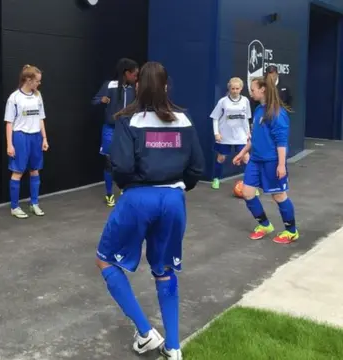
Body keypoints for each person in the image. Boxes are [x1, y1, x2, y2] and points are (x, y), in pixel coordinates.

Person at [96, 61, 204, 360]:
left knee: (105, 261)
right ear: (167, 86)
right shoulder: (184, 120)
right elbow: (197, 167)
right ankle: (173, 347)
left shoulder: (127, 120)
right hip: (173, 199)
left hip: (138, 198)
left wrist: (133, 187)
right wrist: (178, 186)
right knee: (165, 269)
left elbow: (122, 167)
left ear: (138, 87)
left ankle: (145, 333)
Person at [233, 76, 299, 244]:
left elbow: (281, 141)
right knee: (248, 193)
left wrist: (282, 165)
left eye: (253, 89)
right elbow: (254, 137)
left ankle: (291, 231)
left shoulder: (277, 112)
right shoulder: (258, 110)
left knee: (279, 196)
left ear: (263, 90)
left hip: (272, 161)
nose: (251, 92)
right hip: (255, 160)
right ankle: (264, 225)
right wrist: (242, 153)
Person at [91, 58, 139, 206]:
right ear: (126, 73)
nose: (136, 77)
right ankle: (109, 193)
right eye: (134, 74)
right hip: (110, 129)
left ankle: (126, 189)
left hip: (129, 130)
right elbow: (94, 100)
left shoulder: (135, 88)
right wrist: (102, 99)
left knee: (129, 161)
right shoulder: (110, 85)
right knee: (109, 162)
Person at [5, 64, 49, 219]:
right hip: (20, 137)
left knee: (35, 170)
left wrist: (44, 138)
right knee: (17, 172)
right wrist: (9, 144)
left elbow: (41, 118)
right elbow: (9, 123)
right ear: (28, 79)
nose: (39, 83)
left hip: (35, 137)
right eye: (37, 80)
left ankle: (34, 203)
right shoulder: (14, 98)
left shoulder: (38, 96)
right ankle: (14, 207)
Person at [209, 77, 252, 189]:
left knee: (246, 158)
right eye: (232, 88)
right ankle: (216, 179)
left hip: (241, 135)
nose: (235, 91)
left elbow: (246, 118)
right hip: (225, 135)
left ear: (241, 88)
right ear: (229, 88)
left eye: (237, 88)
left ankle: (251, 185)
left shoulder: (245, 101)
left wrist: (248, 133)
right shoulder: (223, 101)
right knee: (221, 158)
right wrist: (216, 133)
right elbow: (215, 117)